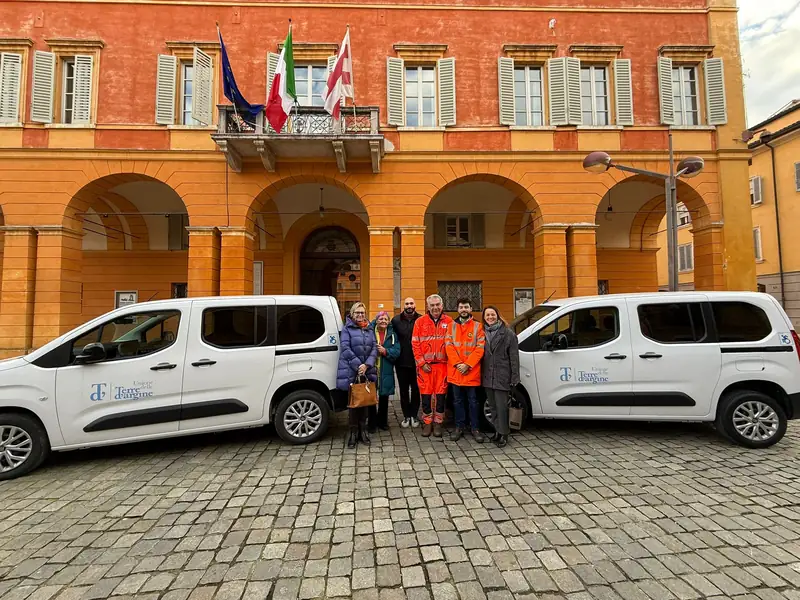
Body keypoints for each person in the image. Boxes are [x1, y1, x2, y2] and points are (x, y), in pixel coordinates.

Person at [337, 302, 378, 449]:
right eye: (357, 313)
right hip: (351, 371)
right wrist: (358, 365)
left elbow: (374, 347)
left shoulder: (369, 328)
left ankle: (363, 431)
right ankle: (353, 432)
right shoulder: (347, 328)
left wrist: (367, 364)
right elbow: (345, 348)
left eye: (362, 312)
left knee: (365, 402)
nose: (360, 315)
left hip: (366, 370)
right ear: (352, 314)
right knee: (354, 404)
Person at [412, 294, 453, 438]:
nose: (435, 308)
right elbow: (415, 344)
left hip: (442, 366)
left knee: (441, 396)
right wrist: (421, 363)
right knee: (426, 395)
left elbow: (453, 344)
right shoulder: (420, 322)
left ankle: (438, 423)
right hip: (425, 367)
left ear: (442, 306)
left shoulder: (449, 322)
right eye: (432, 305)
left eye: (437, 305)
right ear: (428, 307)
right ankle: (427, 422)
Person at [445, 298, 486, 442]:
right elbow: (448, 346)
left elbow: (480, 348)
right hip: (456, 371)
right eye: (461, 307)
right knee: (457, 401)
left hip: (471, 371)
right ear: (457, 309)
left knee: (473, 402)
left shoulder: (478, 327)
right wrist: (458, 364)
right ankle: (459, 427)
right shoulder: (451, 326)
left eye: (466, 307)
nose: (463, 309)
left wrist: (467, 365)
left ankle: (475, 428)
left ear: (470, 309)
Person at [481, 305, 520, 448]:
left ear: (497, 315)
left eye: (492, 314)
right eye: (487, 315)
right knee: (492, 407)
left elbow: (514, 357)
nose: (490, 317)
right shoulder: (482, 332)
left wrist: (515, 377)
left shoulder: (508, 333)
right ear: (484, 318)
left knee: (502, 407)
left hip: (502, 375)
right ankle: (497, 431)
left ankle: (504, 434)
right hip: (487, 376)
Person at [391, 297, 422, 427]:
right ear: (403, 306)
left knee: (416, 391)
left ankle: (414, 416)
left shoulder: (421, 319)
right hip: (401, 362)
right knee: (403, 391)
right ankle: (406, 416)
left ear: (415, 305)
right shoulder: (396, 320)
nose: (409, 305)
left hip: (417, 362)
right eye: (407, 303)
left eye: (411, 303)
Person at [369, 311, 401, 432]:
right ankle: (371, 423)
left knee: (384, 395)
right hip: (372, 368)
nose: (383, 321)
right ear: (376, 320)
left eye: (385, 319)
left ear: (388, 321)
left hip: (386, 368)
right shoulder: (370, 331)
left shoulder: (392, 334)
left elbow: (397, 351)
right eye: (380, 319)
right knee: (371, 396)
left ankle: (382, 421)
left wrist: (385, 351)